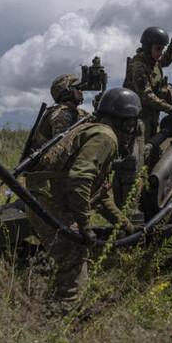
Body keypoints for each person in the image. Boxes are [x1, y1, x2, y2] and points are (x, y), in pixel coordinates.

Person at [25, 87, 142, 314]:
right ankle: (62, 317)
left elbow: (101, 196)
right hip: (50, 202)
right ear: (127, 123)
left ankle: (65, 307)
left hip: (43, 199)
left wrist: (128, 227)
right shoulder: (105, 138)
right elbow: (80, 179)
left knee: (73, 257)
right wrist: (85, 228)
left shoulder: (95, 131)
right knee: (74, 255)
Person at [122, 26, 172, 141]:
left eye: (162, 49)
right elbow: (146, 96)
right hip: (138, 119)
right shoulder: (138, 67)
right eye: (157, 49)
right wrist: (170, 110)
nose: (160, 53)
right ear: (147, 48)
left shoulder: (153, 61)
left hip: (151, 116)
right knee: (144, 152)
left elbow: (165, 60)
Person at [30, 74, 90, 149]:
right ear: (67, 91)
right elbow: (62, 147)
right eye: (77, 88)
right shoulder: (61, 114)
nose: (81, 90)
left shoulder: (77, 112)